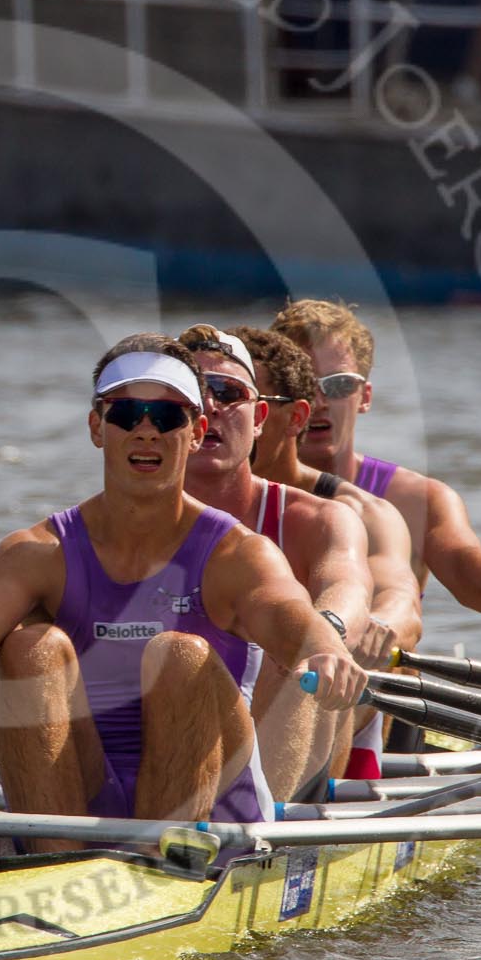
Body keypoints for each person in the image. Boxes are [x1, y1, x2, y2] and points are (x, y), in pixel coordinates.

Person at [0, 332, 366, 849]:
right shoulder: (39, 551)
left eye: (167, 417)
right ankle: (53, 868)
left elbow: (286, 613)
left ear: (196, 430)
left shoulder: (236, 554)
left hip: (214, 806)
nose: (146, 432)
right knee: (30, 647)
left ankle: (156, 870)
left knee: (180, 653)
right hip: (85, 791)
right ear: (97, 427)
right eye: (126, 414)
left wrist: (323, 650)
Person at [270, 299, 481, 644]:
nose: (321, 402)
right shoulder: (231, 486)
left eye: (338, 385)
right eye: (306, 386)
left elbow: (460, 561)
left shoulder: (415, 499)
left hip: (375, 680)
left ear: (365, 397)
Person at [174, 323, 373, 799]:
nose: (211, 406)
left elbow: (347, 586)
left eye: (226, 391)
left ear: (260, 416)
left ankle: (253, 825)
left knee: (293, 632)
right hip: (171, 744)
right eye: (191, 396)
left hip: (292, 749)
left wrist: (324, 633)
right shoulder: (108, 521)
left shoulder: (321, 520)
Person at [231, 322, 424, 779]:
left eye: (237, 400)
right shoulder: (166, 506)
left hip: (317, 699)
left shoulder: (356, 513)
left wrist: (373, 626)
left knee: (298, 642)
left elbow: (401, 599)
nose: (221, 413)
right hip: (219, 704)